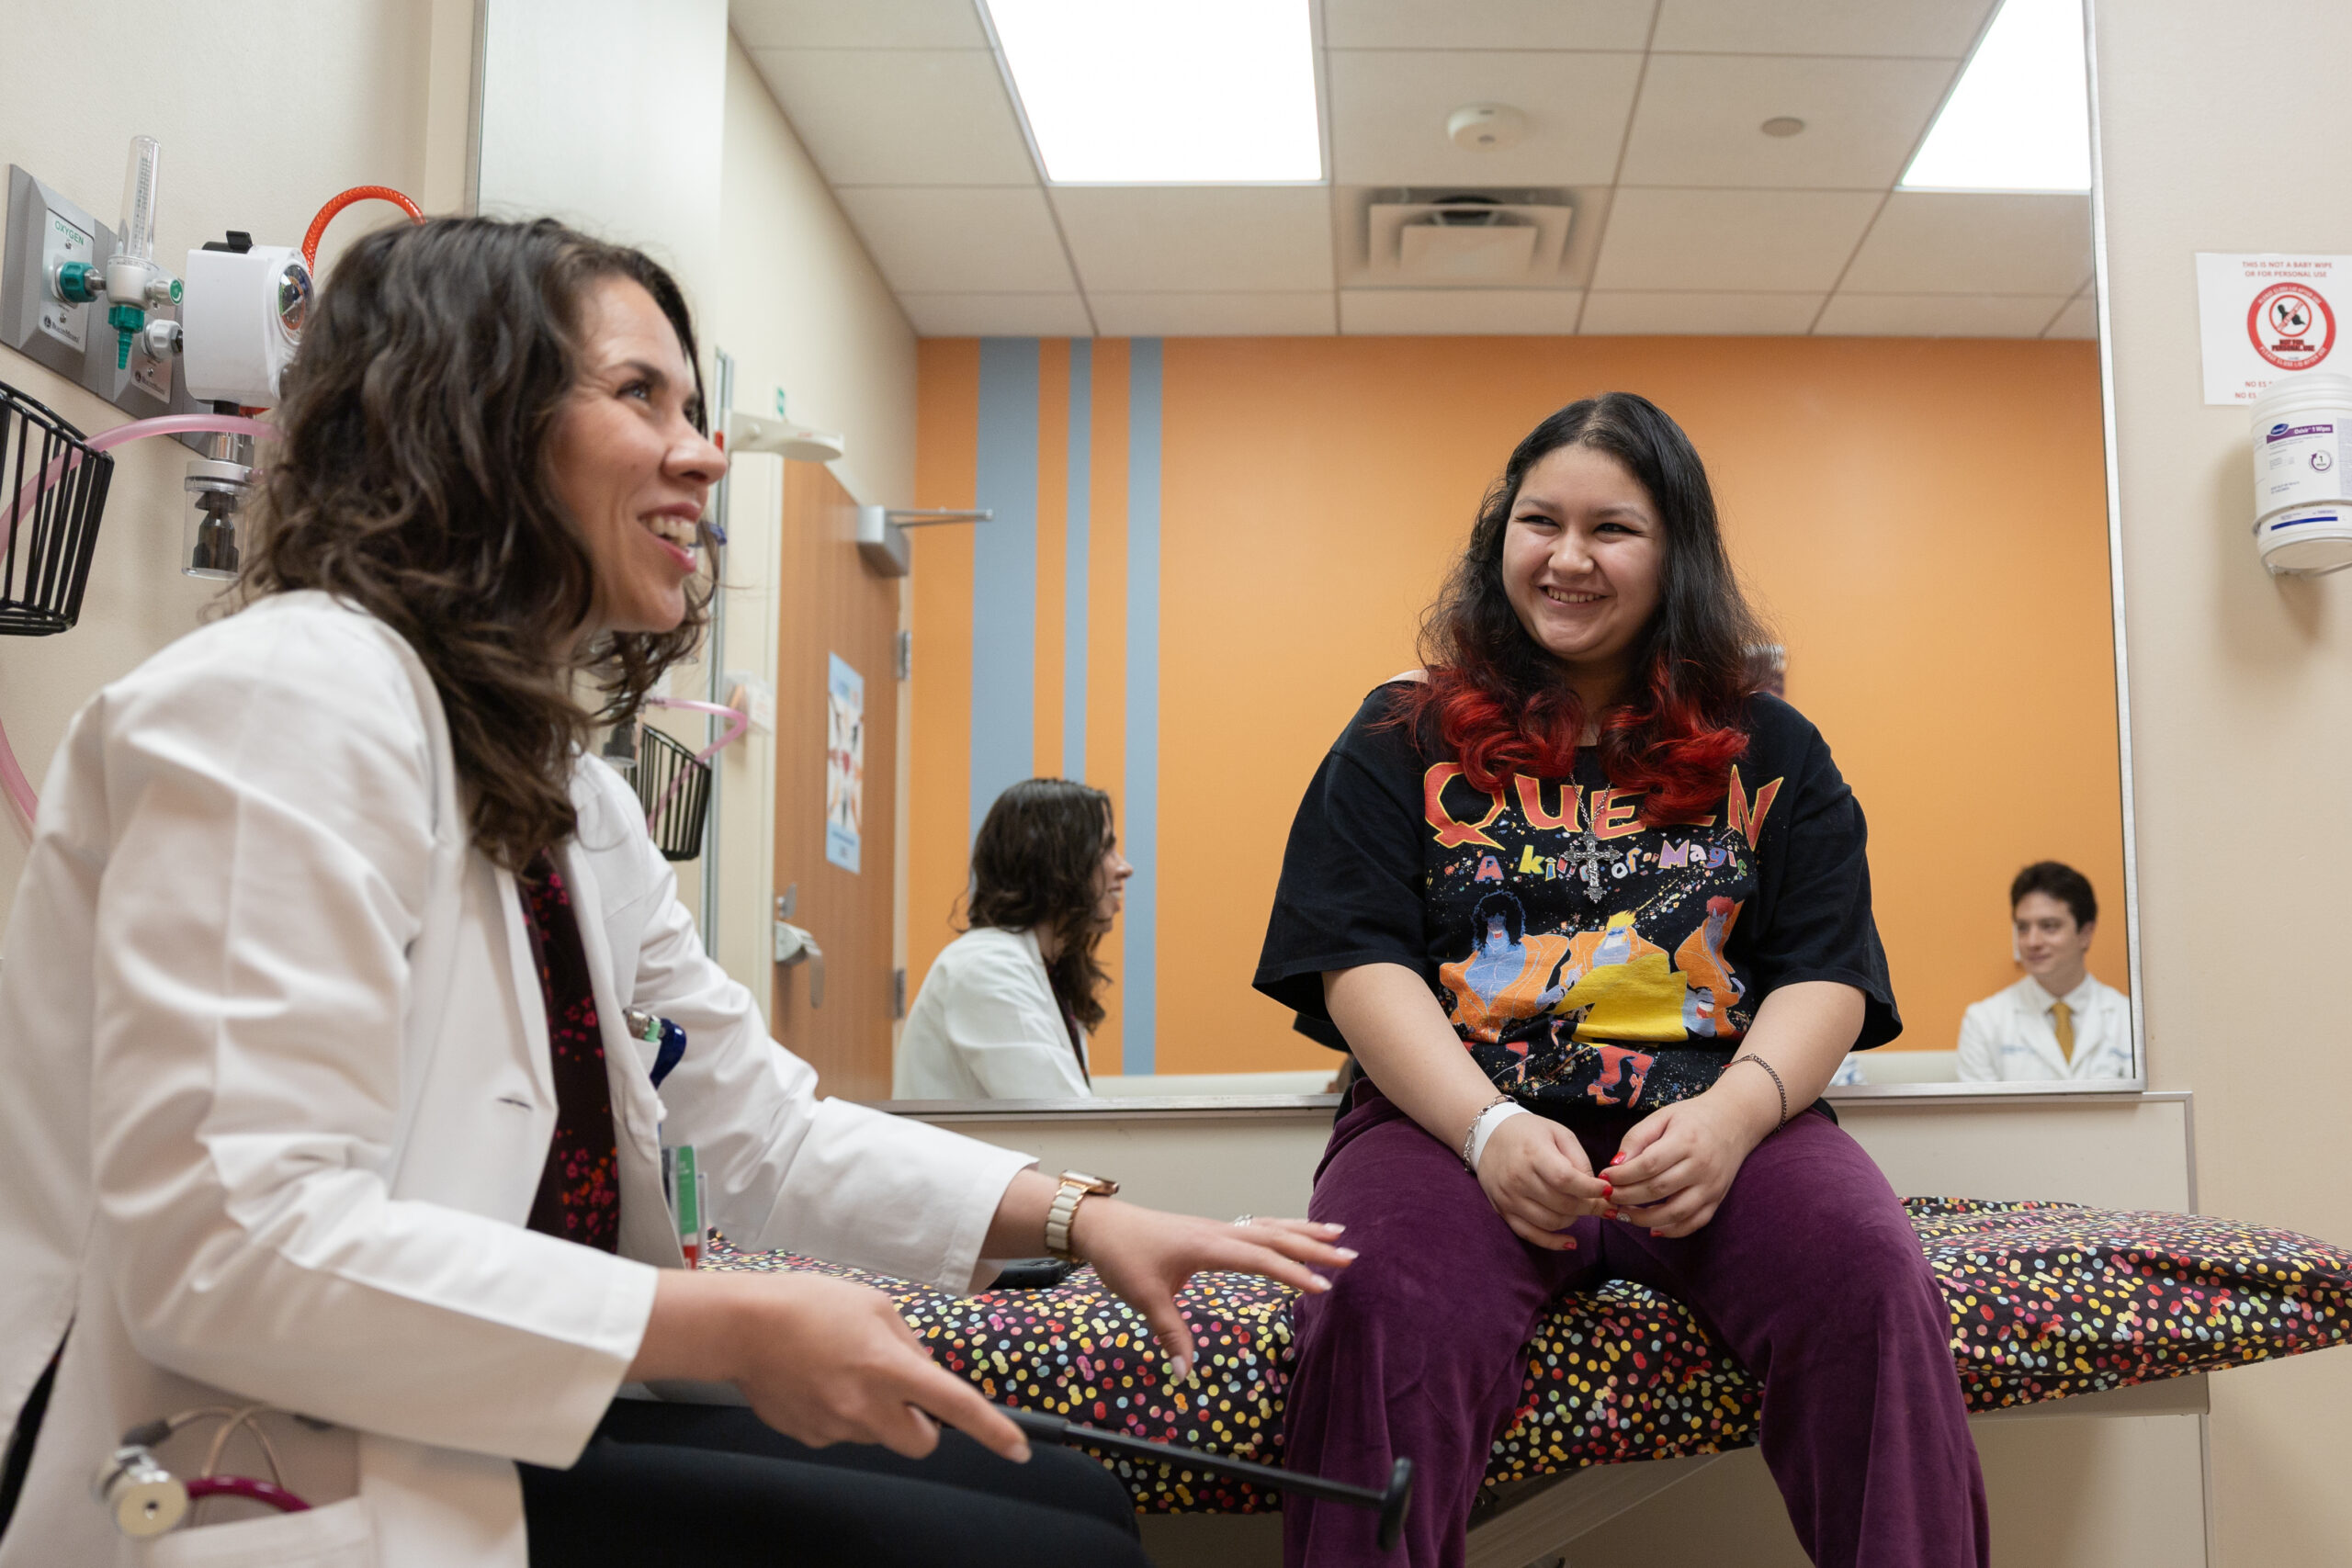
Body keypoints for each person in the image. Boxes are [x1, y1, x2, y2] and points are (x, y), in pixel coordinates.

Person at [0, 217, 1353, 1568]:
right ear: (470, 417)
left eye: (695, 406)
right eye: (641, 393)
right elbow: (231, 1250)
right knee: (1048, 1554)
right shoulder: (282, 702)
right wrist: (722, 1323)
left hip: (465, 1406)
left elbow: (763, 1126)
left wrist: (1086, 1215)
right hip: (239, 1445)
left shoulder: (565, 792)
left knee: (1075, 1501)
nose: (705, 452)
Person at [1254, 392, 1985, 1568]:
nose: (1568, 557)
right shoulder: (1400, 732)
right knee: (1376, 1298)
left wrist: (1738, 1115)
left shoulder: (1773, 748)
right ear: (1500, 537)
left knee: (1866, 1272)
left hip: (1715, 1115)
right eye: (1539, 521)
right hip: (1451, 1125)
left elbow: (1826, 974)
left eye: (1614, 528)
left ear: (1675, 551)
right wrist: (1488, 1127)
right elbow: (1357, 961)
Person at [894, 779, 1128, 1100]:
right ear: (1054, 862)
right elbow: (1069, 1129)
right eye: (1106, 850)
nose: (1124, 868)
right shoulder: (986, 968)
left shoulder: (1044, 970)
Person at [1957, 861, 2131, 1081]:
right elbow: (1980, 1115)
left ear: (2086, 933)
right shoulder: (1984, 1022)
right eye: (2023, 928)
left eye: (2049, 926)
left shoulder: (2129, 1020)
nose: (2032, 941)